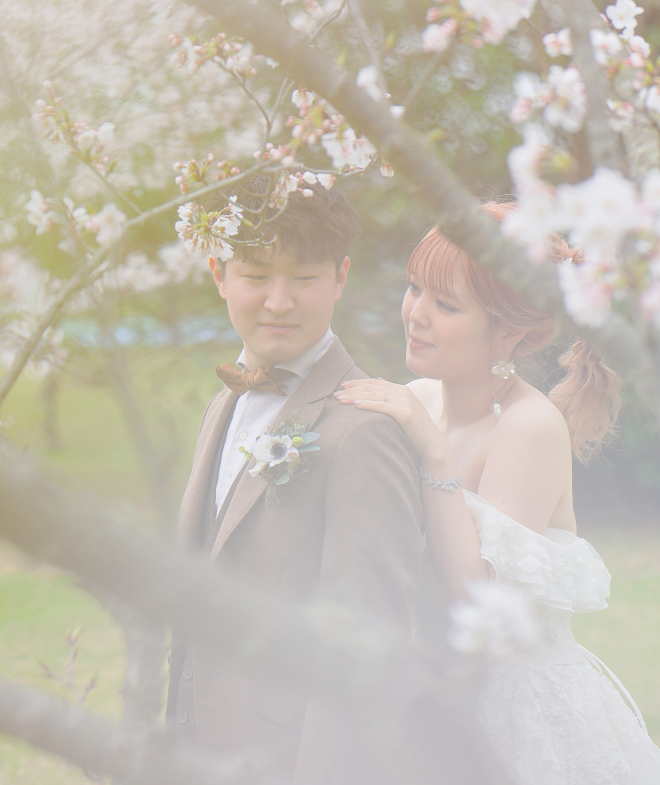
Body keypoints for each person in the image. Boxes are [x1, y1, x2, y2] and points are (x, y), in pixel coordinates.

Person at [336, 201, 660, 785]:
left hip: (517, 714)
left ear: (509, 333)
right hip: (429, 695)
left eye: (446, 304)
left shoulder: (528, 427)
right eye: (415, 289)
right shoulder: (419, 400)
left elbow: (480, 605)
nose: (416, 315)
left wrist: (434, 454)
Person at [167, 178, 424, 784]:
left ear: (339, 277)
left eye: (304, 279)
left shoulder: (363, 433)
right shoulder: (222, 405)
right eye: (256, 276)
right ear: (218, 273)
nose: (279, 301)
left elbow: (366, 647)